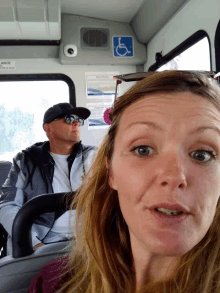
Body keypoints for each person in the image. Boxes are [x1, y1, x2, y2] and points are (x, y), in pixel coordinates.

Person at [28, 71, 220, 293]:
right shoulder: (54, 284)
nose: (175, 176)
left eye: (202, 154)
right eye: (143, 150)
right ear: (111, 173)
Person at [0, 103, 97, 255]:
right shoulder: (27, 160)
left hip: (87, 240)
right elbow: (7, 205)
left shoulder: (94, 156)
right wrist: (33, 242)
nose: (76, 122)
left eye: (79, 120)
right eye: (69, 118)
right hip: (43, 241)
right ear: (48, 128)